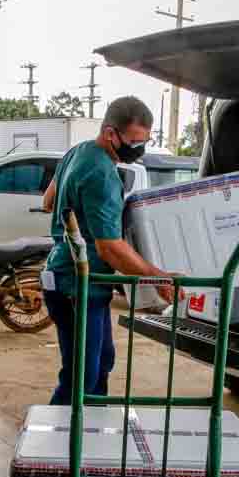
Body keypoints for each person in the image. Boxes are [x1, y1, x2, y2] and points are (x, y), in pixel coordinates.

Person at [42, 96, 182, 405]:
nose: (139, 149)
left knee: (101, 362)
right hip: (78, 284)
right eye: (133, 141)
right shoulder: (102, 173)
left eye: (145, 141)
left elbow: (48, 201)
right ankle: (63, 447)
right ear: (110, 133)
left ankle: (90, 434)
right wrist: (158, 277)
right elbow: (109, 248)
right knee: (82, 377)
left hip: (69, 277)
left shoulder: (78, 152)